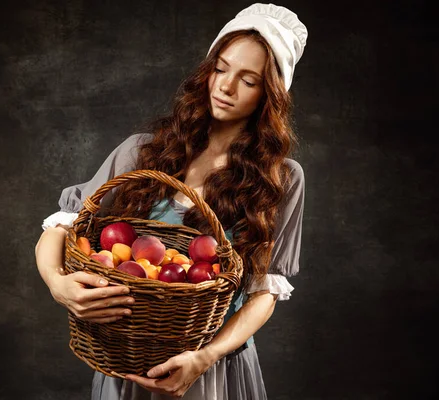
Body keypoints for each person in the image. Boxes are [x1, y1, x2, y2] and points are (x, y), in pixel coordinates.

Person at [35, 3, 307, 399]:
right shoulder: (142, 153)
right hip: (129, 362)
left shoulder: (281, 178)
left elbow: (263, 292)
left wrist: (204, 357)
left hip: (213, 371)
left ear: (271, 94)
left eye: (248, 80)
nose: (226, 87)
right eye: (221, 68)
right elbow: (62, 226)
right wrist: (58, 284)